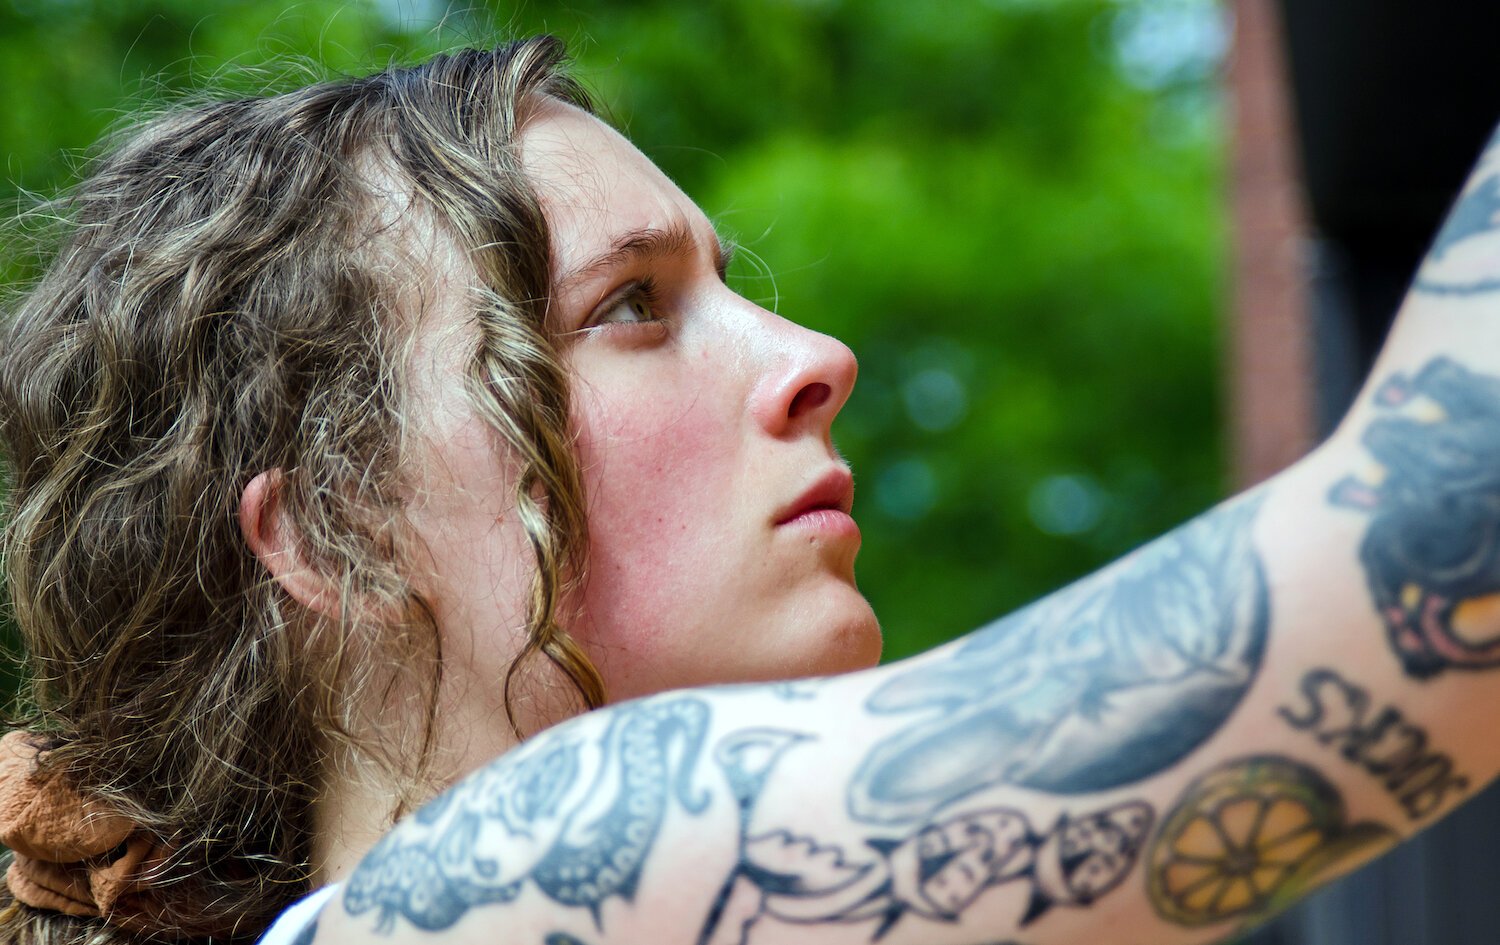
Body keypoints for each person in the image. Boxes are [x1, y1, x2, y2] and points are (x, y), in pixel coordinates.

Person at [0, 35, 1498, 945]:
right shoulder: (508, 882)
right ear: (332, 528)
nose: (817, 355)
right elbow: (1442, 528)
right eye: (629, 309)